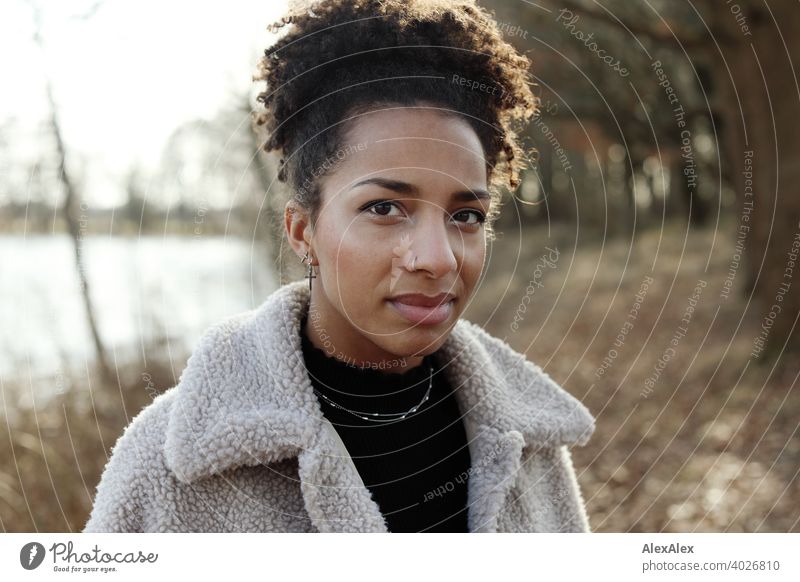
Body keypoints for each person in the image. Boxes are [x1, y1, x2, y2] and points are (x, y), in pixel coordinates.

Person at [83, 0, 595, 533]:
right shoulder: (172, 468)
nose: (439, 258)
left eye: (466, 215)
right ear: (303, 232)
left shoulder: (527, 442)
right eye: (384, 208)